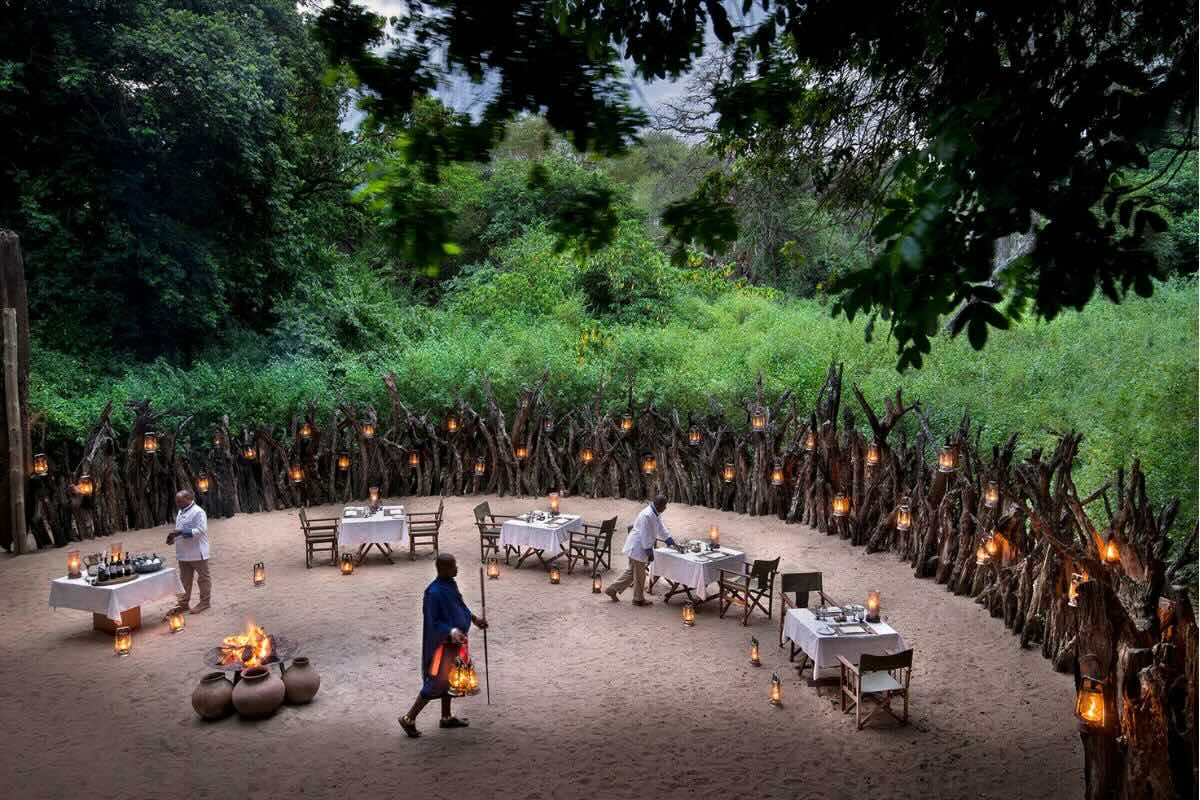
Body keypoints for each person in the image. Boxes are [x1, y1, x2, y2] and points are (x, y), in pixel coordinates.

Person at [399, 553, 487, 738]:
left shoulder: (450, 584)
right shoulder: (433, 593)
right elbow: (433, 622)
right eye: (453, 566)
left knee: (451, 679)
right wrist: (451, 631)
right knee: (437, 682)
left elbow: (460, 605)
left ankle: (446, 717)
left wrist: (474, 619)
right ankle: (409, 718)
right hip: (443, 645)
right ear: (444, 568)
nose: (457, 569)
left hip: (457, 643)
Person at [605, 494, 675, 606]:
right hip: (637, 547)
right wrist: (649, 552)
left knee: (632, 572)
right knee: (640, 575)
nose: (665, 508)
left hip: (640, 547)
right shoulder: (646, 515)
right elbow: (645, 535)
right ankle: (638, 599)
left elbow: (661, 528)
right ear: (658, 505)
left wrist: (670, 540)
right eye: (664, 505)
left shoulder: (656, 513)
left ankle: (612, 589)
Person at [167, 489, 211, 614]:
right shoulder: (181, 512)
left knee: (203, 578)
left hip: (197, 552)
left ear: (189, 499)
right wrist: (173, 538)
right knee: (184, 580)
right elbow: (179, 529)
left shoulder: (198, 512)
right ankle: (183, 603)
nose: (177, 503)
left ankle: (205, 602)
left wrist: (180, 532)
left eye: (179, 501)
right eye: (176, 501)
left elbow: (201, 530)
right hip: (183, 553)